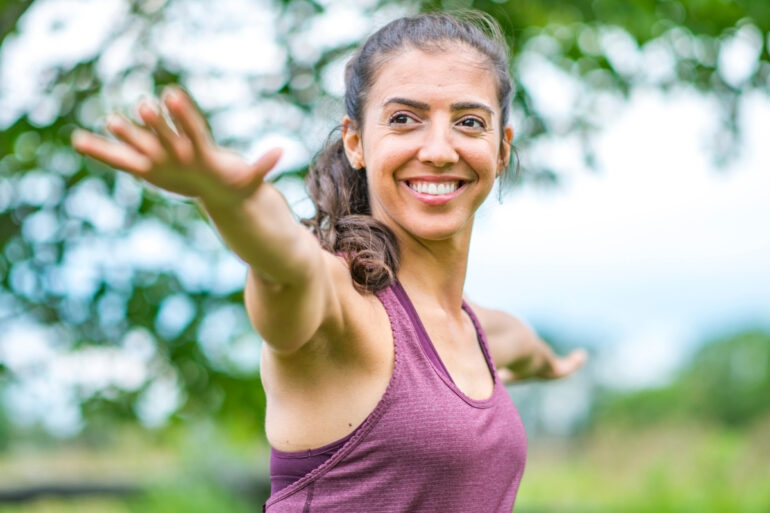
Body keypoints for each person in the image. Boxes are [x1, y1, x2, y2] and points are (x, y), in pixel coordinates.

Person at [73, 11, 586, 512]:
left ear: (501, 149)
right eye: (404, 119)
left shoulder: (480, 332)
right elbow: (284, 262)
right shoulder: (340, 310)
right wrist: (229, 200)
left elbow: (522, 346)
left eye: (469, 122)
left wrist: (553, 366)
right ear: (356, 142)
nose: (438, 149)